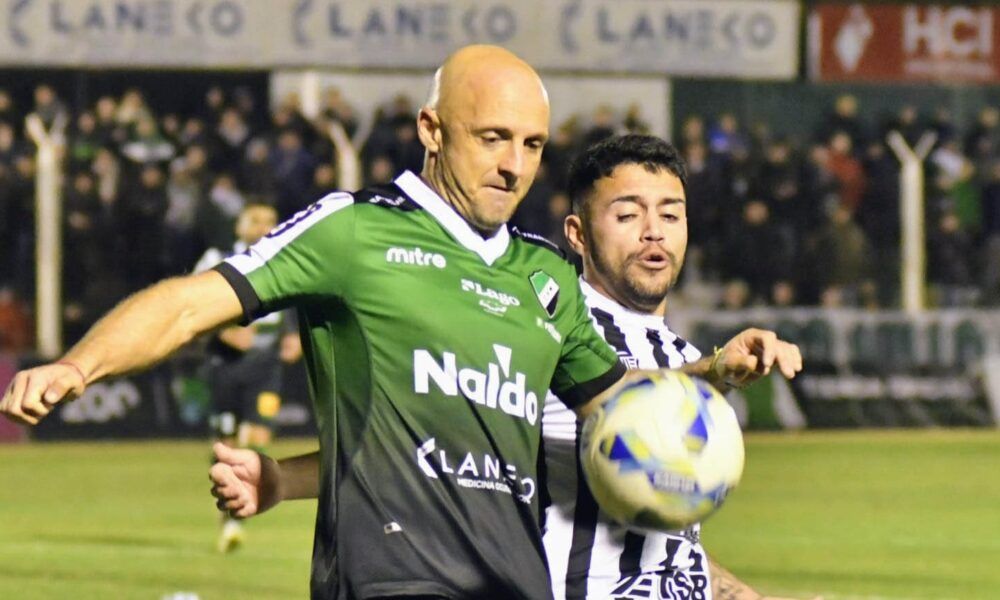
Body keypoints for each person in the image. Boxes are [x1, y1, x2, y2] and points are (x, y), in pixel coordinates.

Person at [1, 46, 800, 600]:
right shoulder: (354, 232)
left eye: (531, 144)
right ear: (431, 130)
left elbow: (617, 404)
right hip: (390, 575)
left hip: (517, 583)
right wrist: (79, 366)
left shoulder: (545, 276)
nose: (514, 165)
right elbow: (189, 303)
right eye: (493, 138)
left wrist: (711, 374)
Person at [543, 134, 809, 600]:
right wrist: (713, 372)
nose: (654, 232)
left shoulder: (676, 353)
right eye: (627, 215)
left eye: (670, 215)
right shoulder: (546, 334)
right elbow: (619, 397)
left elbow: (670, 547)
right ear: (578, 234)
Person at [193, 202, 302, 553]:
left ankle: (238, 512)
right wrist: (224, 330)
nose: (263, 227)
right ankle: (229, 512)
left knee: (258, 436)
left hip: (266, 365)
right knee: (226, 443)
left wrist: (293, 333)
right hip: (226, 364)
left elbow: (291, 299)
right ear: (239, 225)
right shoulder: (218, 258)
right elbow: (192, 303)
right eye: (255, 220)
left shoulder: (284, 257)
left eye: (270, 220)